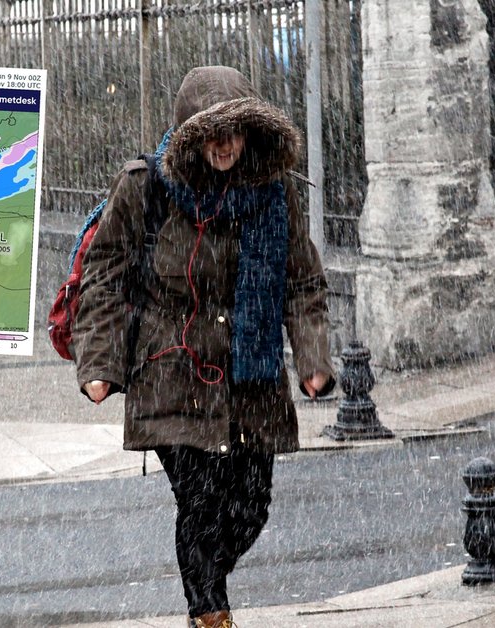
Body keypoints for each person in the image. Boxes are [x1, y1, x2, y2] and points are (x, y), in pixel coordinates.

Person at [74, 65, 334, 628]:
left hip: (252, 378)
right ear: (190, 136)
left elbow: (303, 282)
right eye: (212, 133)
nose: (225, 144)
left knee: (250, 507)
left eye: (236, 131)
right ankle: (210, 615)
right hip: (172, 373)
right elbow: (104, 277)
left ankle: (206, 586)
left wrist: (312, 359)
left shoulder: (274, 195)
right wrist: (99, 364)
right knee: (201, 503)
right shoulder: (145, 186)